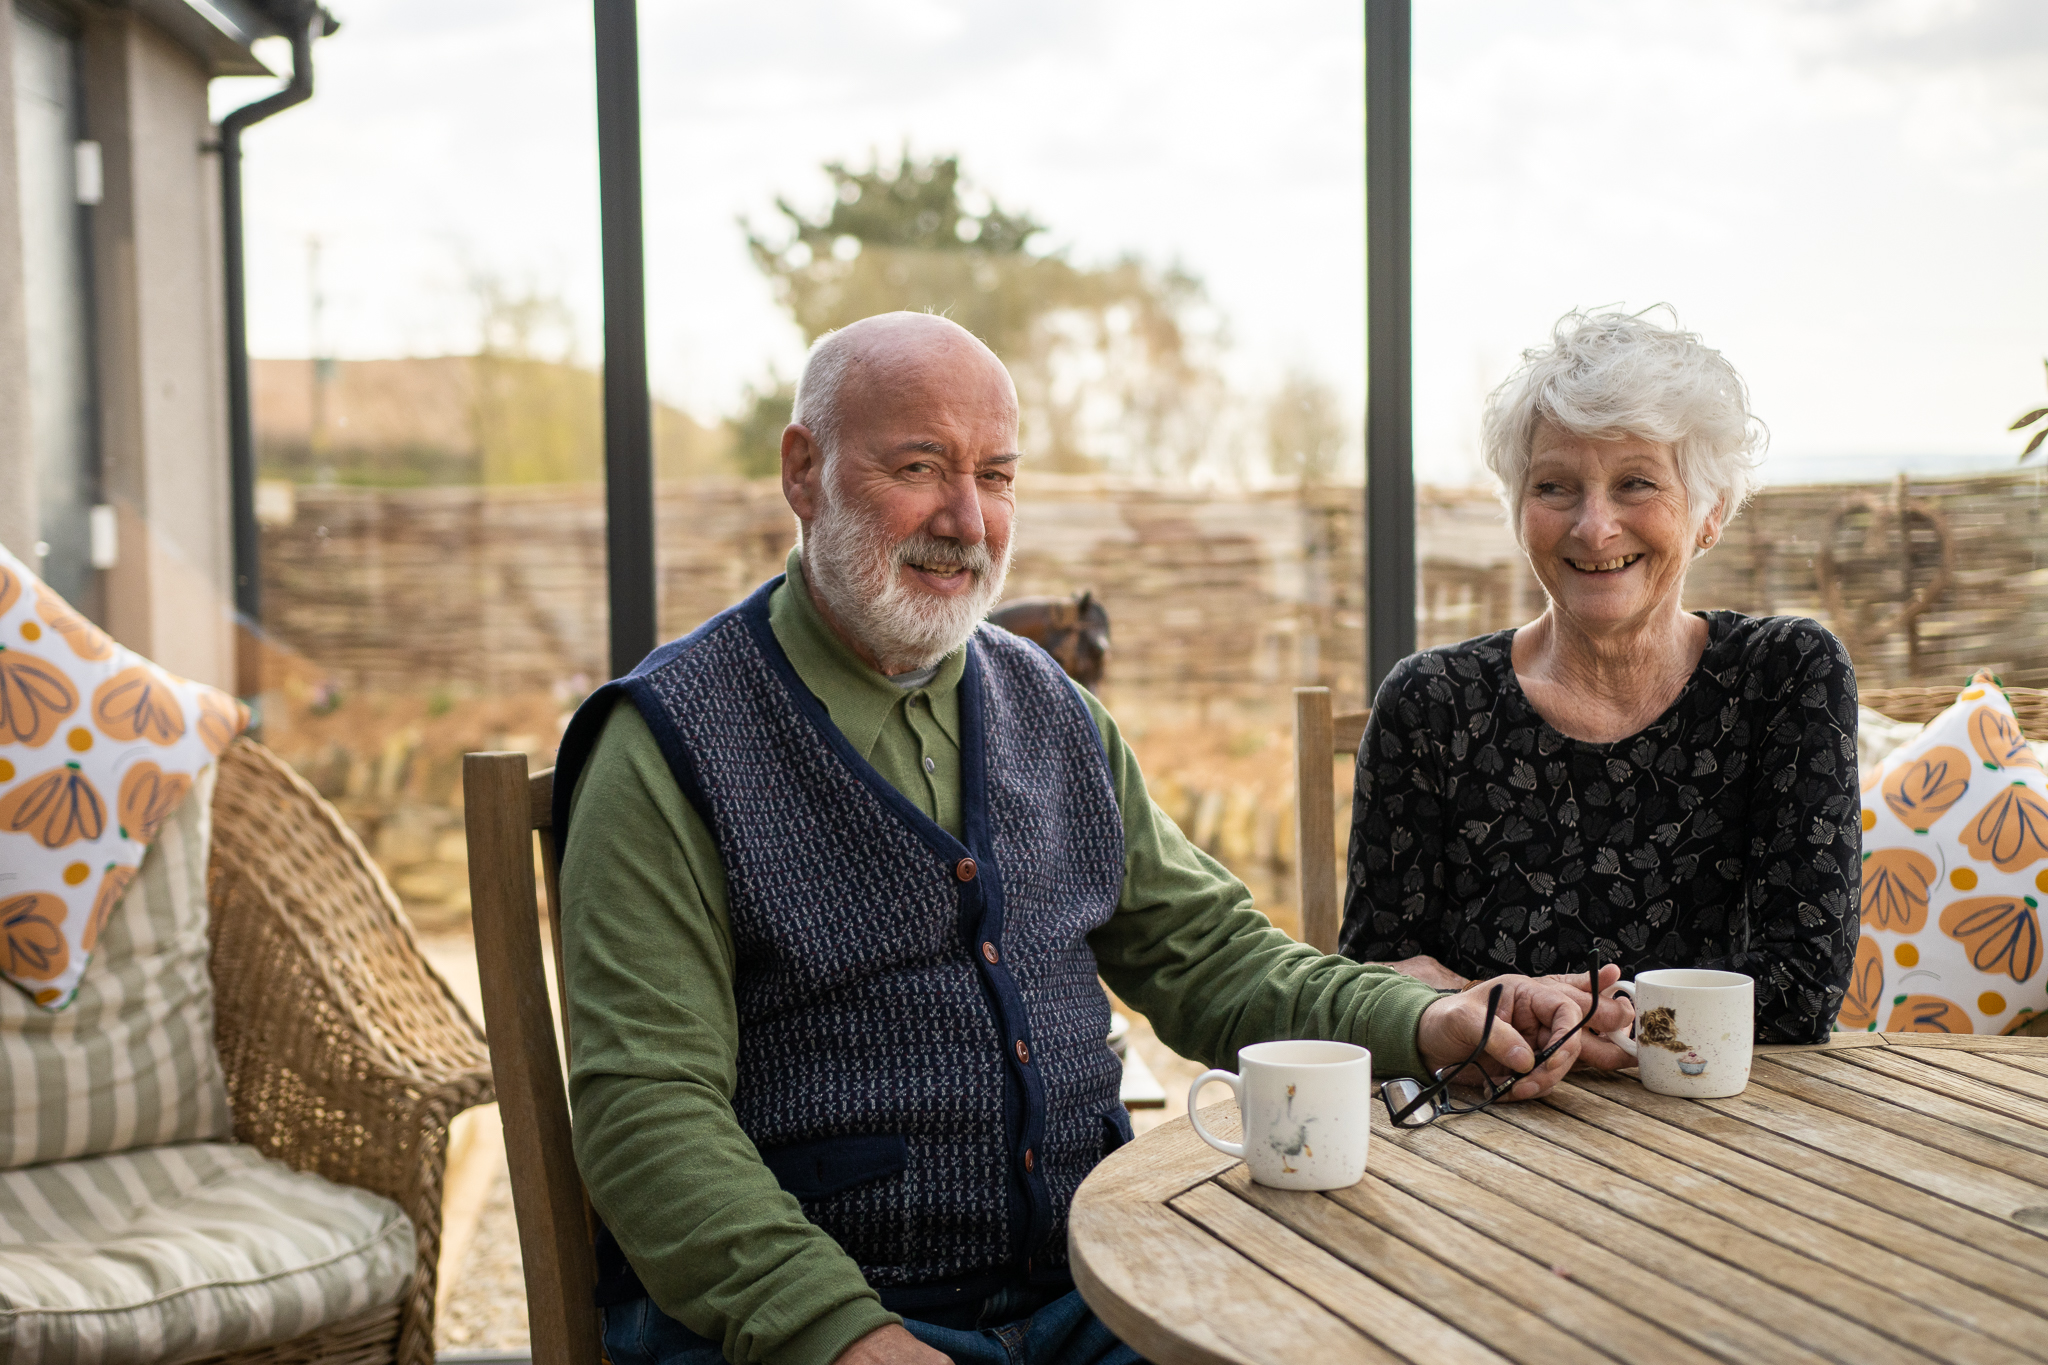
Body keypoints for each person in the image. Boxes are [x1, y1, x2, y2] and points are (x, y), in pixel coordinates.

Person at [553, 311, 1632, 1365]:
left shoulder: (1046, 705)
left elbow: (1210, 957)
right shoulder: (666, 742)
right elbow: (649, 1111)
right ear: (803, 472)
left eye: (997, 475)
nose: (966, 520)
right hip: (814, 1323)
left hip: (1094, 1286)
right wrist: (841, 1337)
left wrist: (1438, 1018)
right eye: (920, 467)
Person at [1338, 308, 1859, 1045]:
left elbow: (1802, 986)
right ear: (1519, 510)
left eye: (1636, 483)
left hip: (1727, 1126)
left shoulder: (1785, 677)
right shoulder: (1430, 705)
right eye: (1554, 487)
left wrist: (1557, 1021)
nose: (1593, 525)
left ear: (1709, 513)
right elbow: (1376, 980)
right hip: (1483, 1125)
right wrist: (1608, 1024)